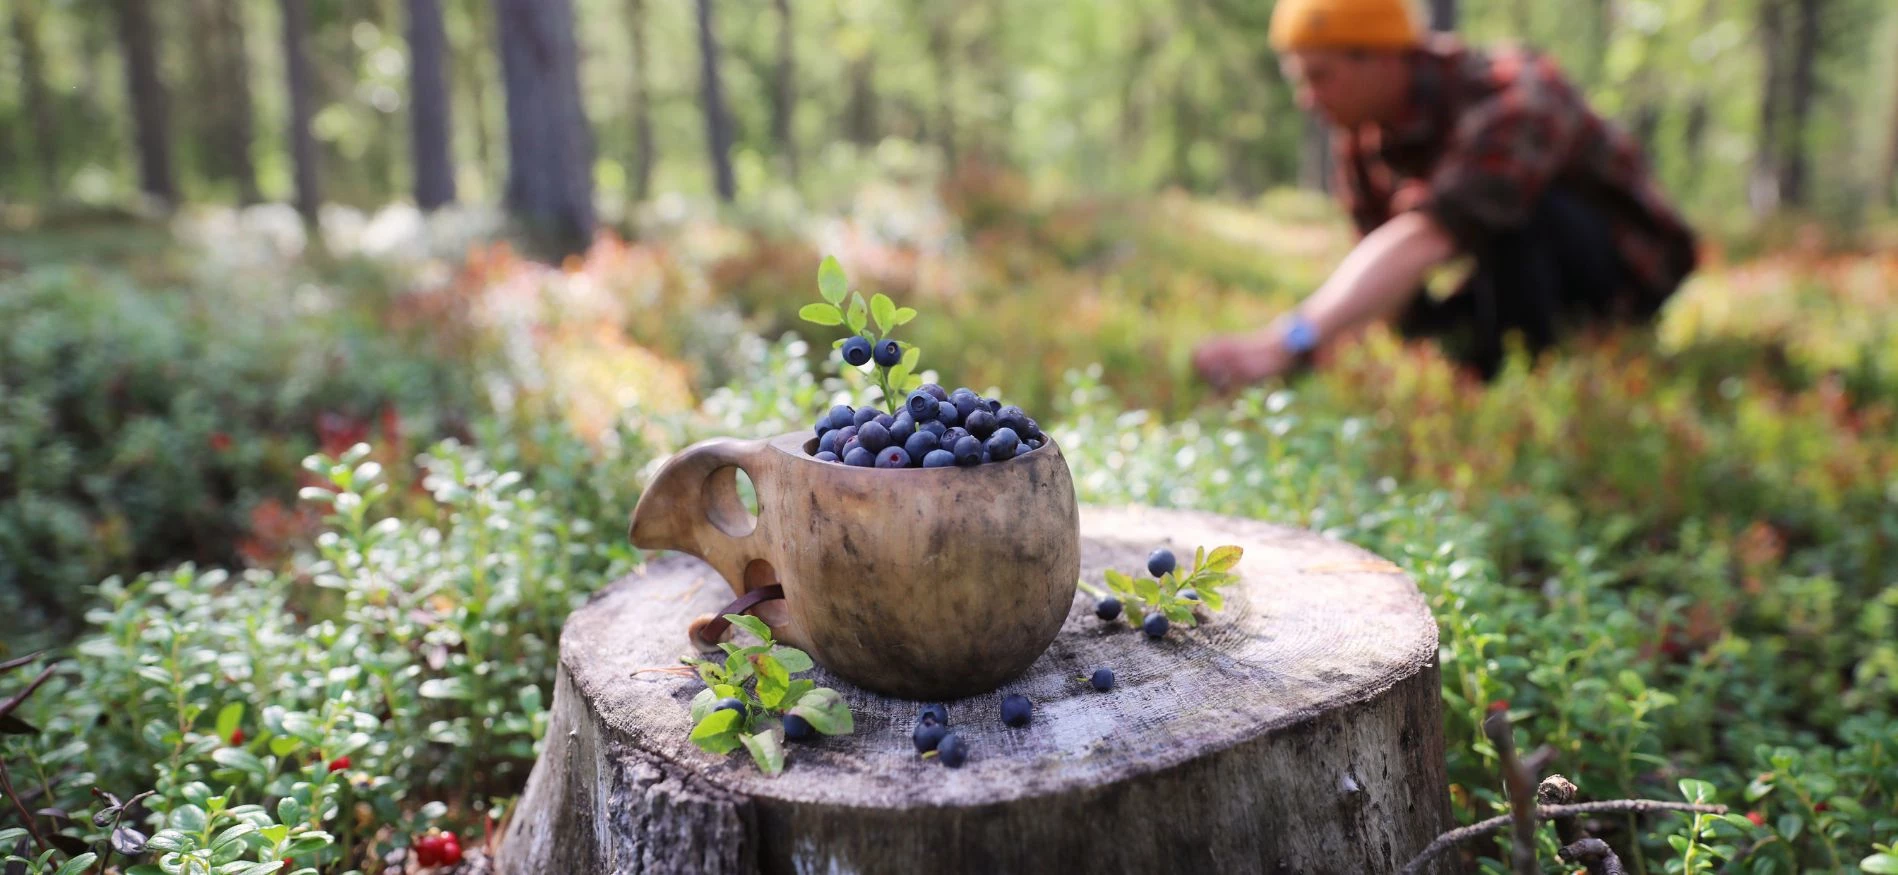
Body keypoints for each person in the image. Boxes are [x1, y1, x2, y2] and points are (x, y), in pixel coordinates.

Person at [1192, 0, 1698, 388]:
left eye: (1320, 76)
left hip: (1626, 275)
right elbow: (1388, 270)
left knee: (1510, 214)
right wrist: (1315, 358)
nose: (1308, 99)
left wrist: (1287, 340)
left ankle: (1520, 384)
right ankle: (1486, 365)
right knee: (1416, 321)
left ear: (1382, 59)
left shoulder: (1514, 95)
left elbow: (1431, 234)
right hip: (1503, 278)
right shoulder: (1365, 137)